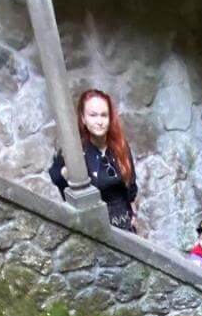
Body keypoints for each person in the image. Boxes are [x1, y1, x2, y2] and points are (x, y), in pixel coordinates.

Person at [48, 89, 138, 232]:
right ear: (83, 118)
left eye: (104, 115)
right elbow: (56, 176)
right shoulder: (75, 152)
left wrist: (134, 215)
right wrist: (67, 171)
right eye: (93, 115)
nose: (99, 121)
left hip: (126, 225)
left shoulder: (120, 146)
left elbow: (131, 185)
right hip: (97, 229)